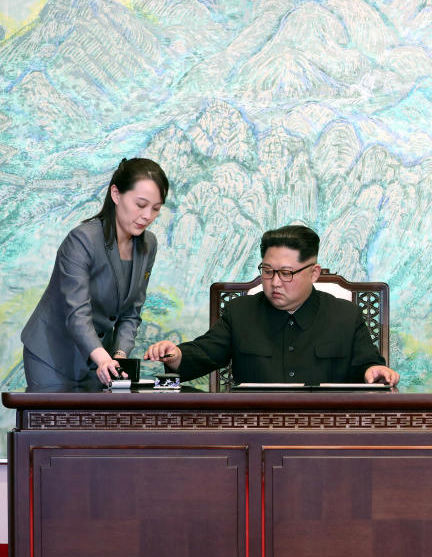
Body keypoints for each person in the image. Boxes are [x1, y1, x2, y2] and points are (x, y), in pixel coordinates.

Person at [144, 225, 399, 386]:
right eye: (268, 271)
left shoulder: (346, 316)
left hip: (324, 437)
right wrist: (175, 355)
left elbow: (369, 366)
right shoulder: (240, 313)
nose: (275, 282)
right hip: (254, 434)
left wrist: (375, 370)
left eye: (287, 273)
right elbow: (203, 353)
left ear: (313, 273)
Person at [21, 157, 170, 390]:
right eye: (141, 205)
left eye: (156, 209)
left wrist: (119, 356)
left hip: (100, 362)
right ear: (116, 194)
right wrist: (103, 357)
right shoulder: (82, 240)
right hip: (53, 355)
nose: (147, 216)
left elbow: (131, 312)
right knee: (51, 424)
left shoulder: (148, 244)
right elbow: (77, 312)